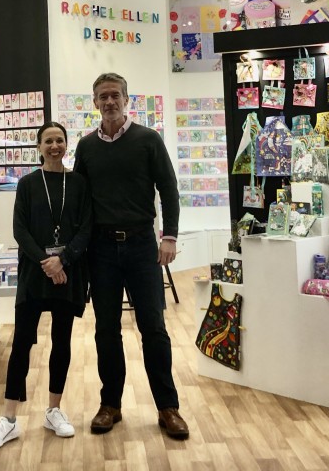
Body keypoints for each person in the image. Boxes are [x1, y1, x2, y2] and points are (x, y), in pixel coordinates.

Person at [72, 73, 189, 441]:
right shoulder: (86, 147)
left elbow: (169, 189)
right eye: (103, 96)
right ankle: (111, 405)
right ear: (94, 102)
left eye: (115, 95)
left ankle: (168, 408)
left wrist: (168, 236)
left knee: (153, 328)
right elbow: (79, 201)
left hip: (141, 246)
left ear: (126, 99)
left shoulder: (148, 140)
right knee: (106, 330)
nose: (109, 102)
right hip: (101, 250)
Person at [0, 122, 93, 451]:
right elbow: (20, 229)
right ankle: (9, 419)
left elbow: (86, 227)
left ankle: (54, 410)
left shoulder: (79, 184)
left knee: (62, 341)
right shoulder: (28, 184)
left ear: (66, 144)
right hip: (35, 273)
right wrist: (47, 262)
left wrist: (64, 260)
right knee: (22, 345)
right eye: (48, 141)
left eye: (59, 140)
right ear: (39, 147)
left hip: (68, 273)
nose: (54, 146)